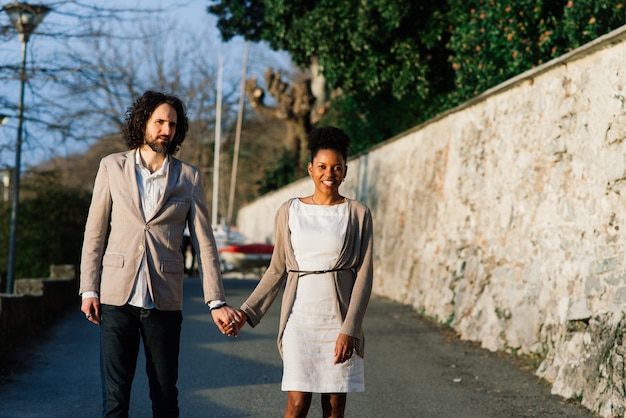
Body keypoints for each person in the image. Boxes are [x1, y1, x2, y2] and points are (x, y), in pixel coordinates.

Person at [79, 90, 241, 418]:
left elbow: (204, 242)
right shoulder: (112, 166)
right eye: (159, 122)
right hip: (115, 296)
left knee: (166, 396)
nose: (166, 129)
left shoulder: (189, 177)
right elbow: (95, 232)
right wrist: (89, 289)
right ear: (143, 124)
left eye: (172, 124)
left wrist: (217, 300)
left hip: (164, 298)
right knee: (115, 398)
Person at [230, 126, 374, 418]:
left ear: (345, 171)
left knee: (333, 408)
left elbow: (365, 274)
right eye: (322, 166)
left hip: (338, 320)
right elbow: (276, 269)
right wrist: (246, 312)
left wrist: (350, 329)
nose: (329, 174)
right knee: (297, 404)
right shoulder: (289, 210)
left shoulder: (357, 213)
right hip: (300, 319)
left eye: (336, 168)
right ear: (310, 169)